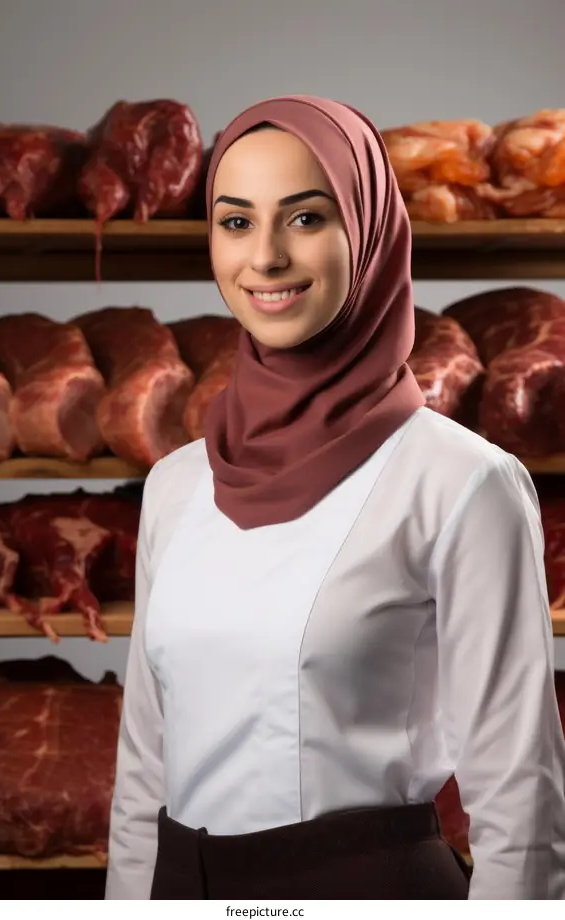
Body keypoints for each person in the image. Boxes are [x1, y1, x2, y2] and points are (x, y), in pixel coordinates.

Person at [105, 95, 565, 900]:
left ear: (373, 230)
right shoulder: (177, 484)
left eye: (307, 218)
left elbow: (519, 792)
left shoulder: (461, 483)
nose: (267, 257)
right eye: (237, 221)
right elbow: (145, 767)